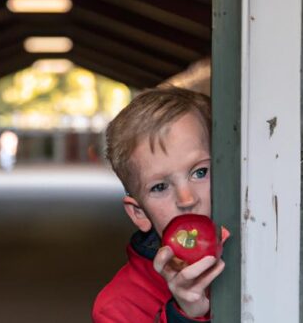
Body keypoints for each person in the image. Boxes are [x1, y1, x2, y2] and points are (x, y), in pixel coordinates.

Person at [92, 87, 225, 322]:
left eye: (201, 172)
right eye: (160, 187)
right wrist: (185, 316)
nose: (187, 199)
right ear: (139, 213)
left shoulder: (268, 253)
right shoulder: (118, 308)